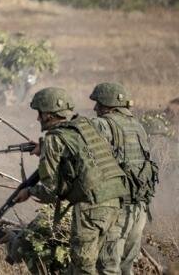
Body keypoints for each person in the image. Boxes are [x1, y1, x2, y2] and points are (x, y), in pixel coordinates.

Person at [13, 87, 128, 275]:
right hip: (116, 202)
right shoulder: (86, 126)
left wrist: (29, 192)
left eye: (39, 114)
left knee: (83, 268)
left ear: (49, 115)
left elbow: (50, 192)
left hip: (91, 208)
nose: (37, 119)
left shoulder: (53, 139)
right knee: (106, 268)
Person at [89, 83, 158, 275]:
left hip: (117, 210)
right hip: (139, 209)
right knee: (126, 267)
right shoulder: (137, 127)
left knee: (108, 268)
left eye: (99, 104)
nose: (95, 109)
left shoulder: (103, 124)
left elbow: (77, 150)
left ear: (109, 104)